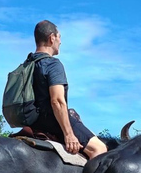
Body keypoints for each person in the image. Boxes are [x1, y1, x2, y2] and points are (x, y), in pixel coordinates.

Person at [29, 20, 107, 159]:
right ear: (52, 37)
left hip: (32, 121)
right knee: (99, 148)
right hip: (51, 121)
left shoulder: (27, 65)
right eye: (59, 37)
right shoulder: (52, 64)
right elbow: (57, 101)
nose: (60, 42)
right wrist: (69, 134)